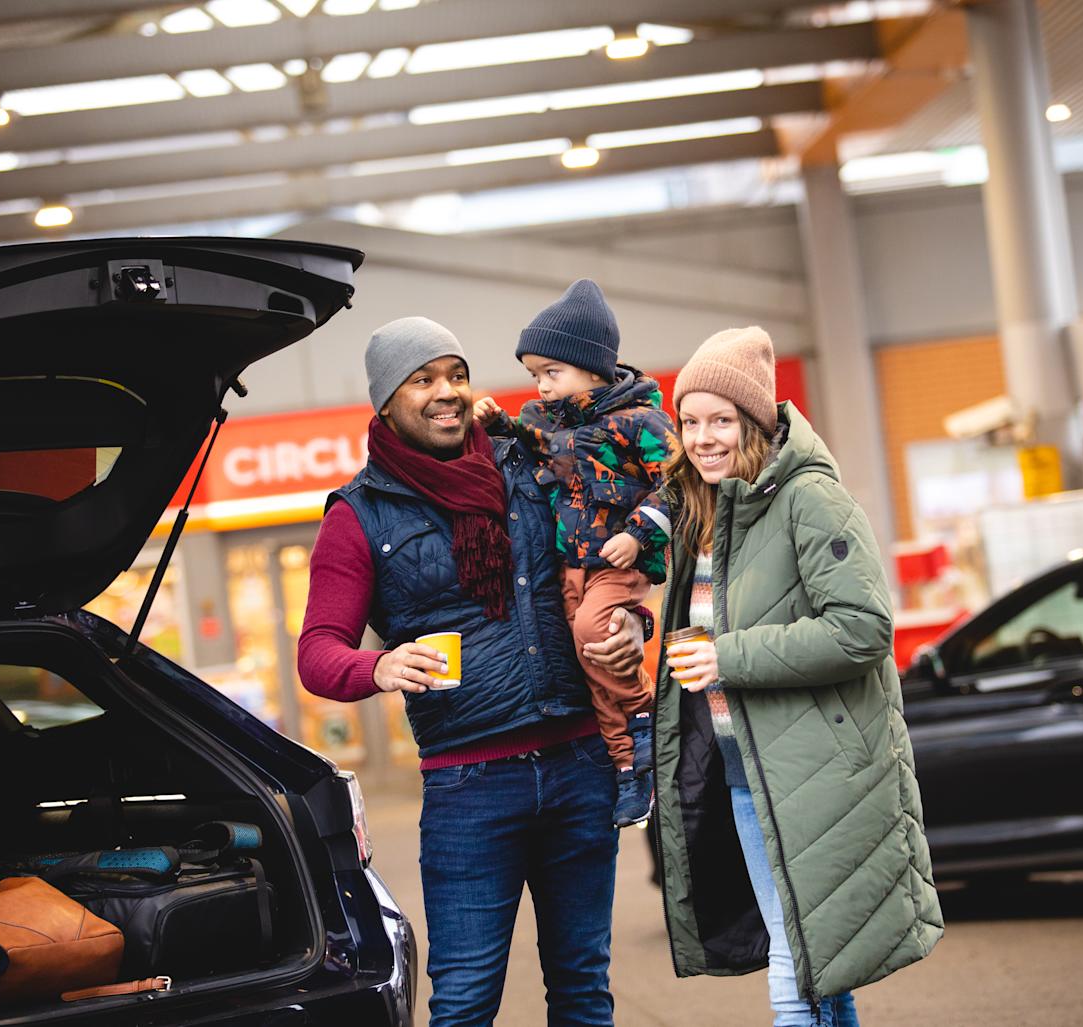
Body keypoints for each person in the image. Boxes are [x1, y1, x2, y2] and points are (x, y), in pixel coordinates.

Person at [296, 316, 649, 1027]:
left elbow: (606, 563)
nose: (446, 392)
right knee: (464, 1002)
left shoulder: (533, 465)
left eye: (455, 374)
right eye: (422, 379)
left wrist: (632, 627)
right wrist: (380, 663)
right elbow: (318, 651)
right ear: (386, 400)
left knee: (584, 990)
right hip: (470, 787)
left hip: (579, 761)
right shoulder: (359, 514)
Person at [653, 327, 943, 1027]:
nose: (703, 437)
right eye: (690, 421)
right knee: (819, 966)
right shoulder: (708, 511)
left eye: (720, 419)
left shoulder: (809, 498)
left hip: (817, 773)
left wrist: (728, 655)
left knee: (794, 970)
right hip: (747, 772)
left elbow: (864, 628)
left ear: (755, 419)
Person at [473, 279, 679, 828]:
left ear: (593, 369)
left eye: (551, 373)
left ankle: (642, 715)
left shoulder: (642, 423)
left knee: (594, 630)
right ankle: (627, 767)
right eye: (534, 375)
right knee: (588, 659)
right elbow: (529, 447)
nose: (540, 386)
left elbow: (681, 486)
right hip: (570, 564)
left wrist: (637, 533)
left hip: (619, 564)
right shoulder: (546, 425)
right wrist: (499, 426)